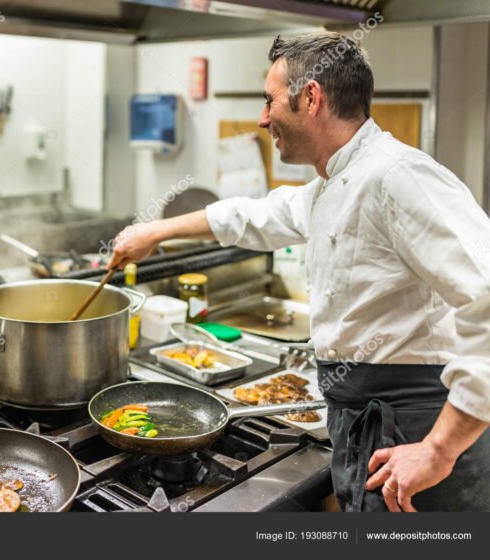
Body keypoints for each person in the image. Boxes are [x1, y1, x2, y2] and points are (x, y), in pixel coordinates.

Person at [108, 32, 490, 512]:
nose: (262, 118)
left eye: (269, 100)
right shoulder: (335, 183)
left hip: (415, 433)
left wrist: (438, 449)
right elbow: (255, 216)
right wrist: (155, 231)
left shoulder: (398, 176)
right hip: (368, 425)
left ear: (311, 98)